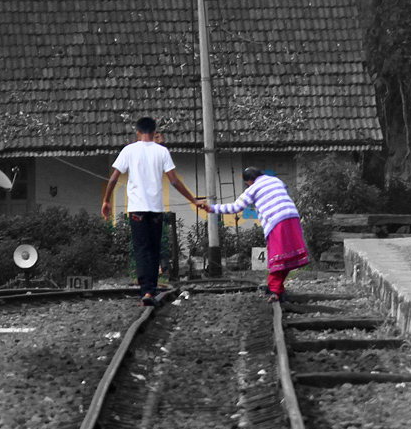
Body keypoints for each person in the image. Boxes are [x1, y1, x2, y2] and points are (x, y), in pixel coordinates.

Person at [101, 116, 198, 305]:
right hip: (156, 210)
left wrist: (106, 201)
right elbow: (174, 180)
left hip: (136, 210)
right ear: (154, 132)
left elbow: (113, 178)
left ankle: (145, 291)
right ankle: (151, 291)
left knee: (141, 249)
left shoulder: (129, 150)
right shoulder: (162, 151)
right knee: (154, 249)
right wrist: (192, 199)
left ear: (137, 132)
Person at [196, 167, 308, 302]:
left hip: (277, 221)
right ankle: (277, 288)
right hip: (292, 217)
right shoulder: (276, 180)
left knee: (277, 257)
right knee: (286, 256)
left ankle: (274, 290)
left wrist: (211, 208)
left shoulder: (252, 189)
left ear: (249, 181)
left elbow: (235, 208)